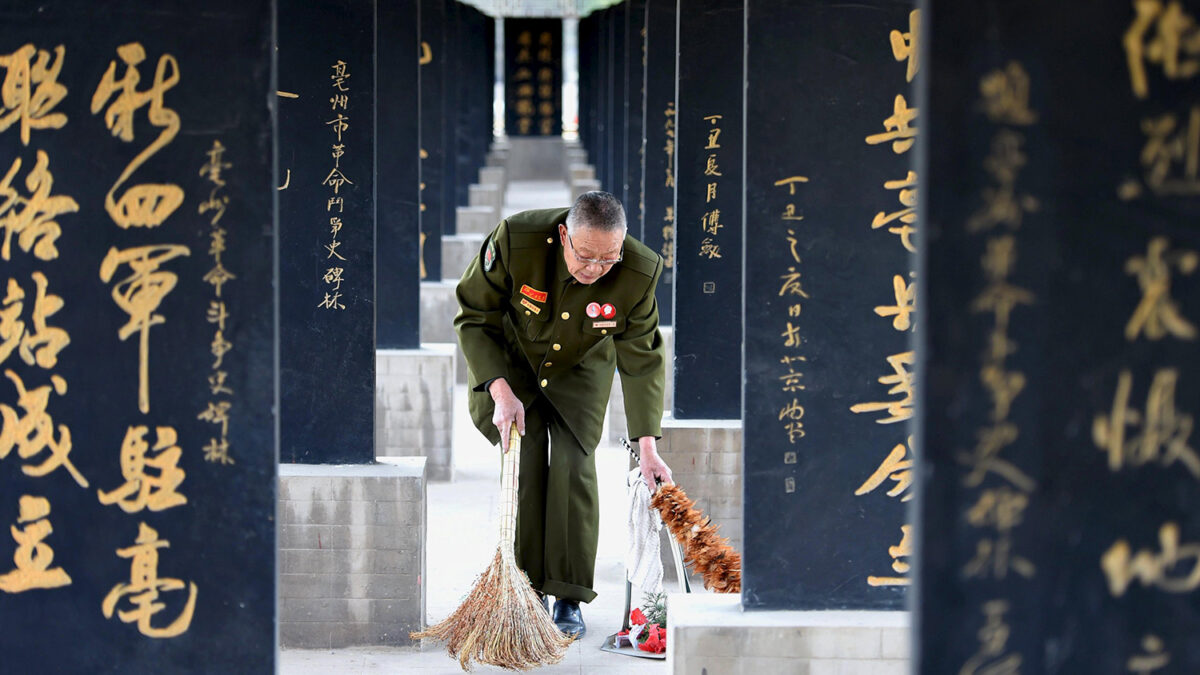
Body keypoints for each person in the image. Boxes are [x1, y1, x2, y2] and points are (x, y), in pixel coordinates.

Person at [454, 191, 673, 638]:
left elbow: (642, 357)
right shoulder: (518, 239)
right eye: (585, 256)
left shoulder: (638, 271)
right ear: (563, 235)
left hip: (581, 368)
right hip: (513, 364)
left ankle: (569, 597)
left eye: (608, 259)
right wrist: (499, 389)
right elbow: (474, 315)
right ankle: (526, 590)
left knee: (575, 467)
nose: (595, 270)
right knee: (525, 464)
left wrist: (646, 448)